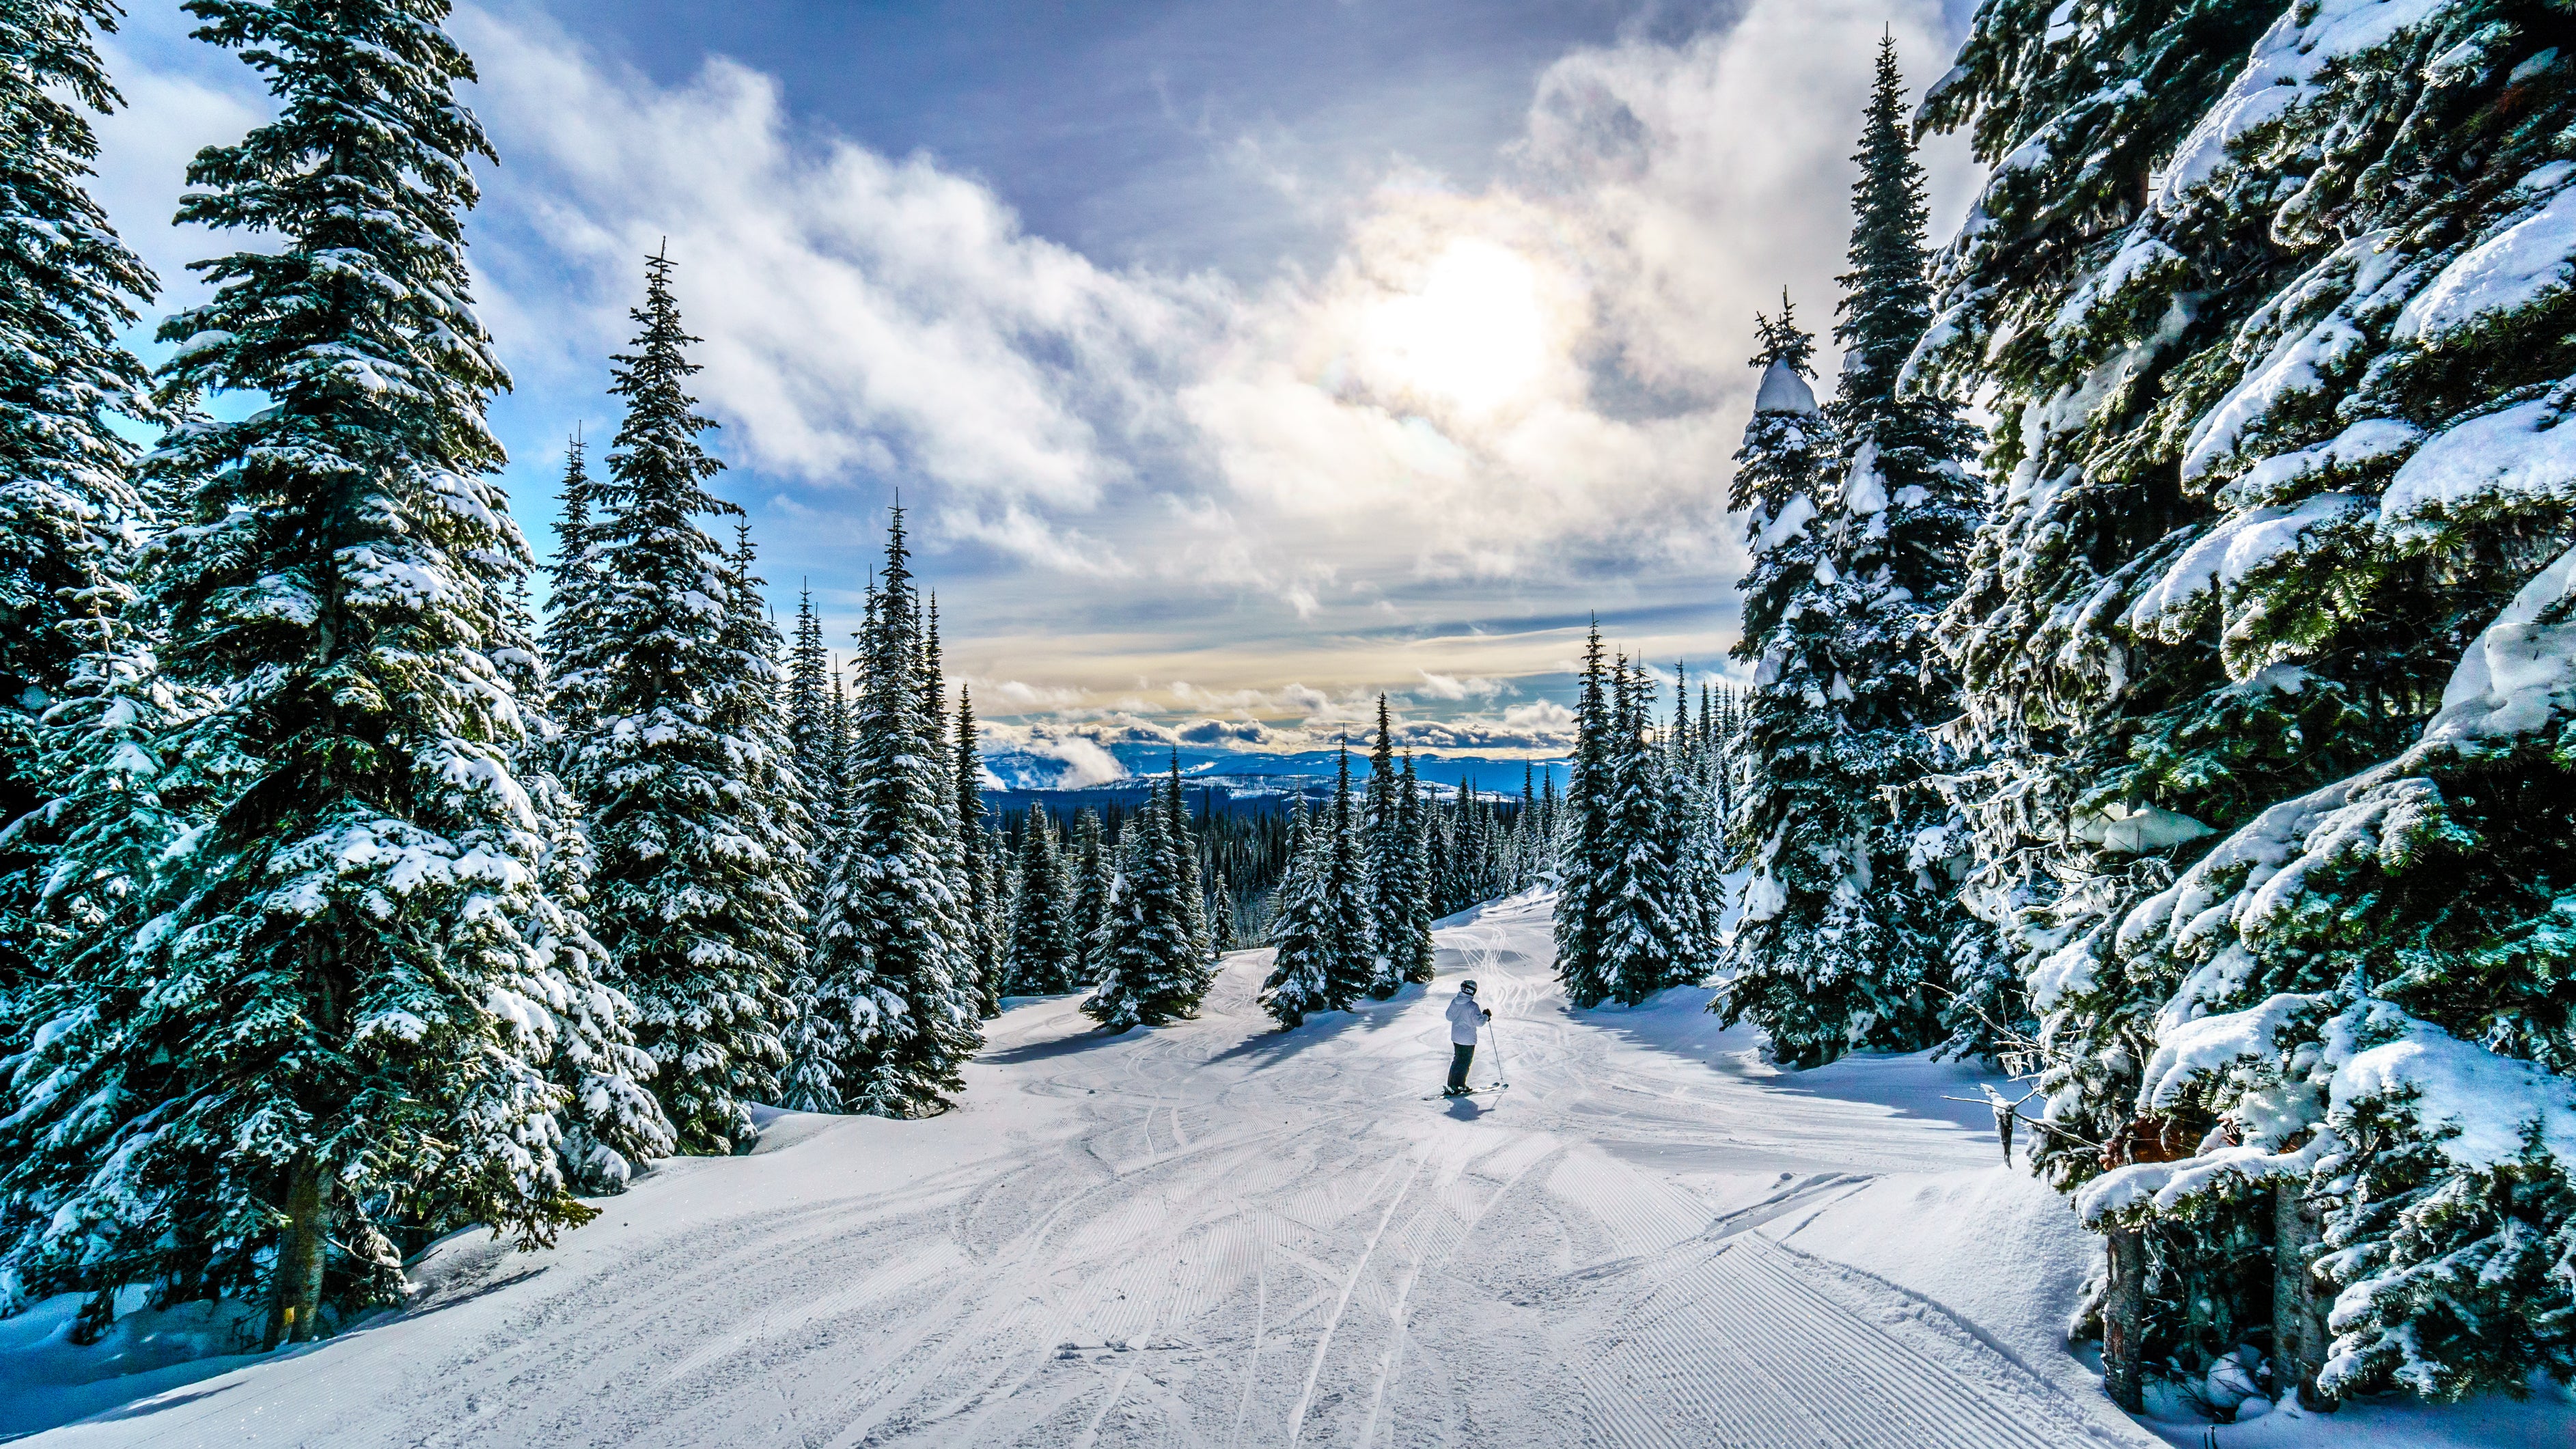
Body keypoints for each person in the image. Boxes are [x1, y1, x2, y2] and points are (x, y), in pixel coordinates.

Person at [1443, 980, 1491, 1096]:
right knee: (1465, 1062)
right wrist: (1486, 1016)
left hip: (1456, 1037)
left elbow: (1449, 1017)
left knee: (1458, 1059)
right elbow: (1479, 1023)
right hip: (1468, 1039)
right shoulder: (1472, 1006)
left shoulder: (1455, 1002)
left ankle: (1451, 1085)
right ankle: (1459, 1085)